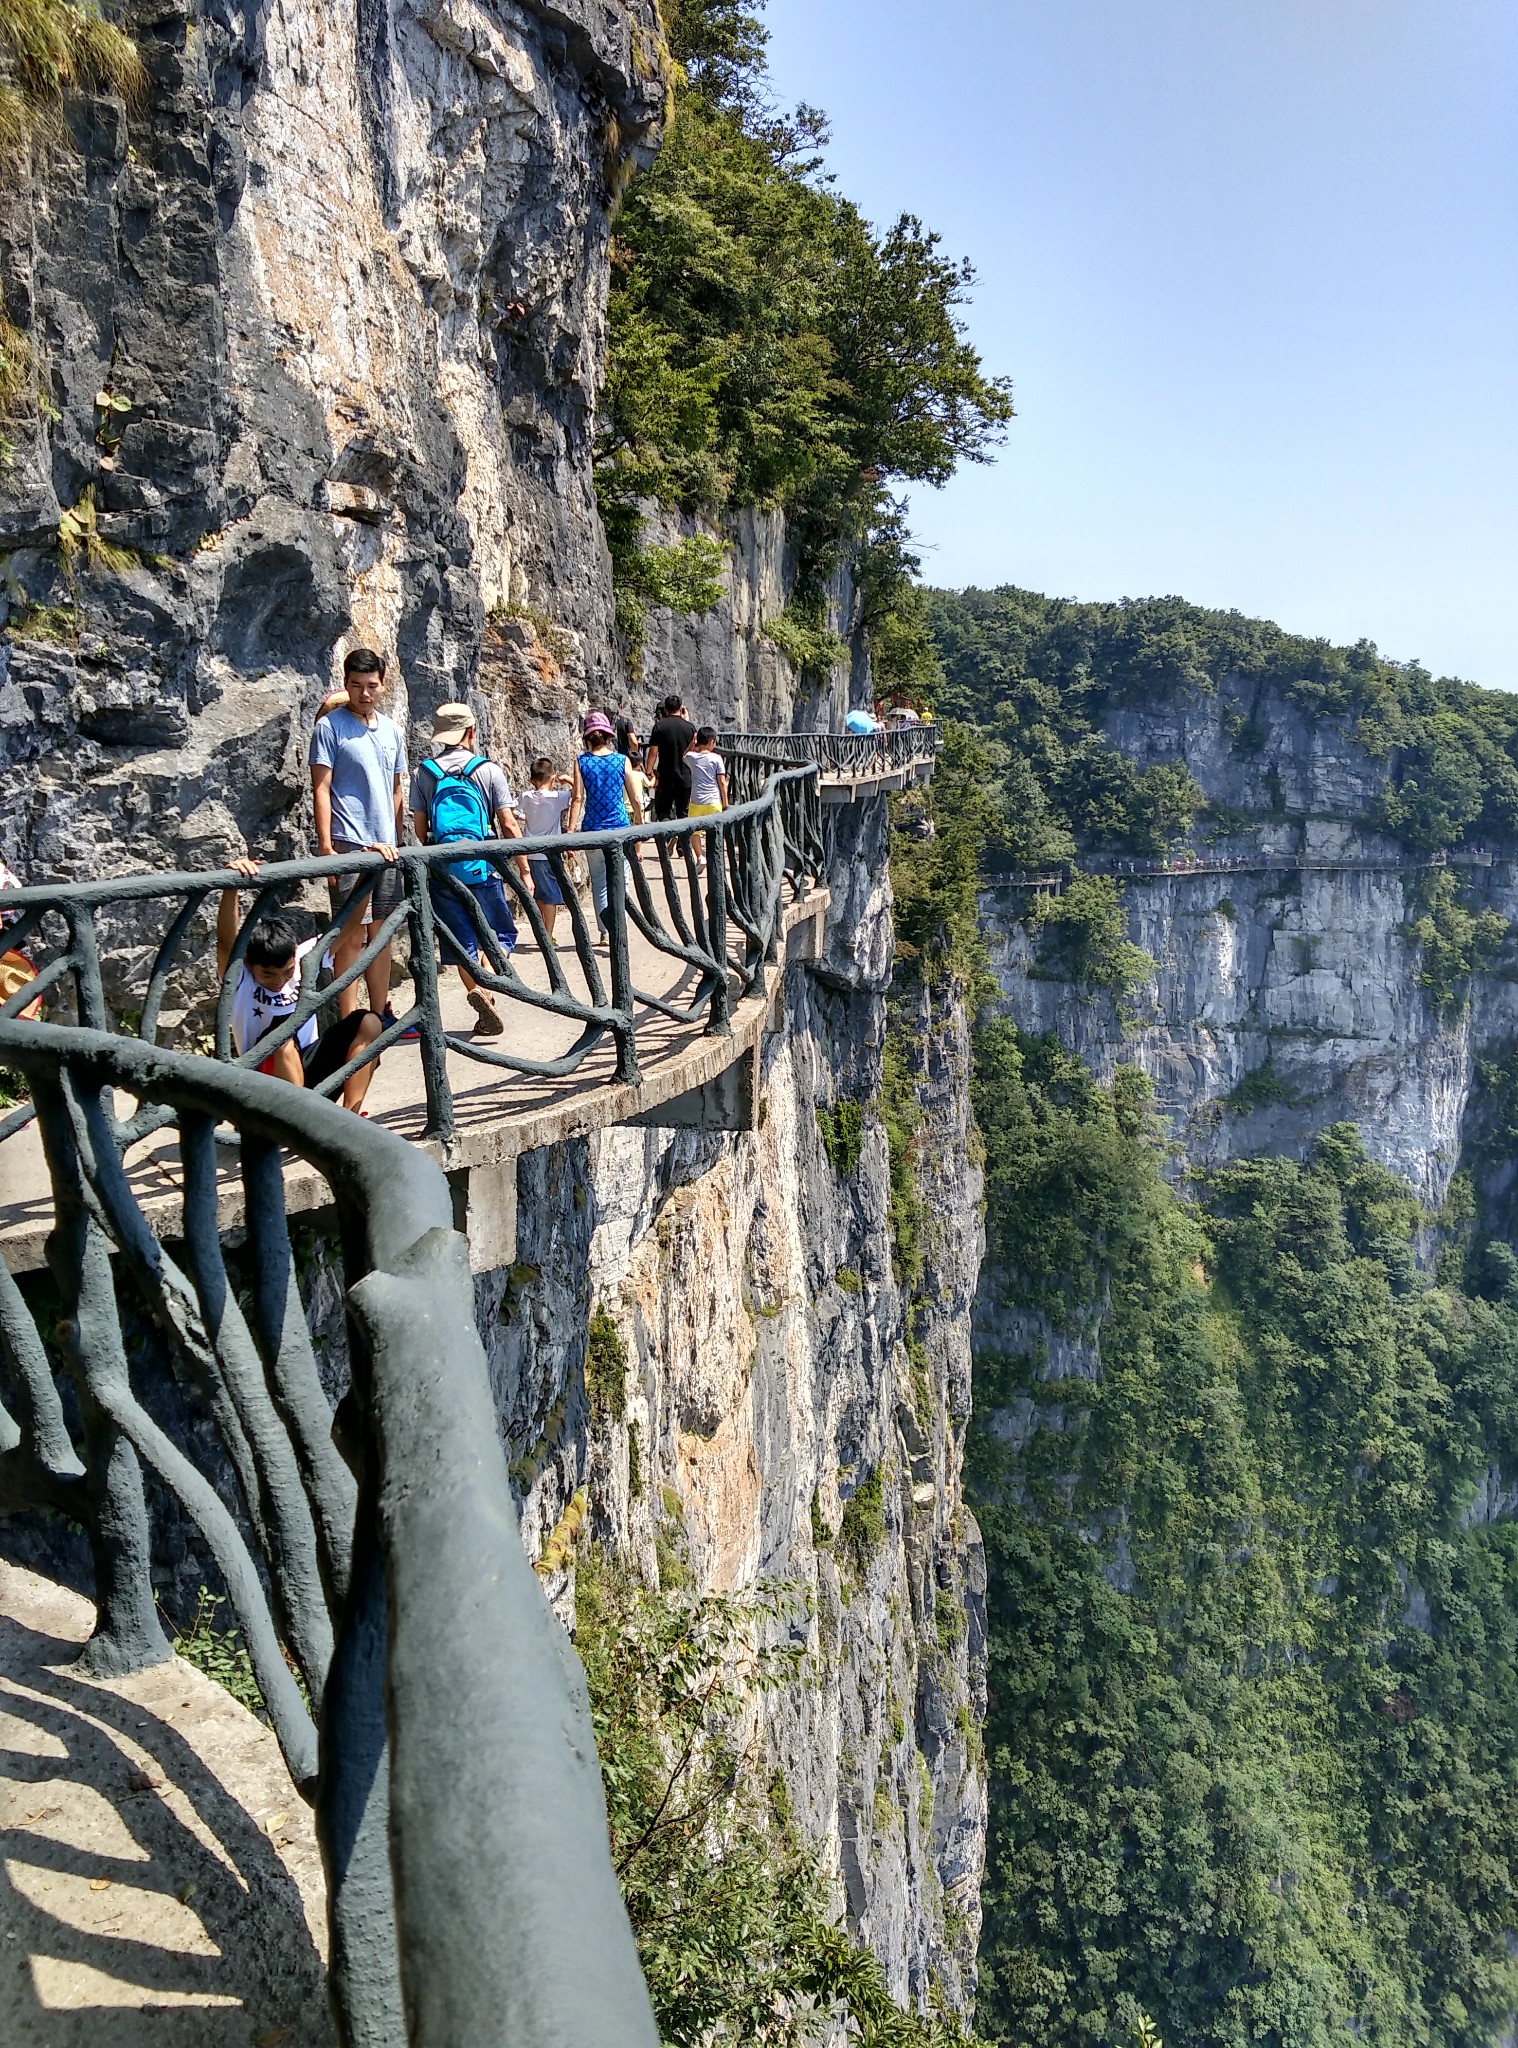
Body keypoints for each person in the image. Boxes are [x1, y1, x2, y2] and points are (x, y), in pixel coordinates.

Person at [216, 859, 382, 1112]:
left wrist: (370, 871)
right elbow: (226, 942)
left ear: (295, 955)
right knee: (282, 1040)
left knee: (369, 1022)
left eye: (287, 972)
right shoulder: (240, 978)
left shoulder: (306, 958)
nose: (279, 981)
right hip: (266, 1083)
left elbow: (349, 923)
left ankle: (350, 1117)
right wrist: (231, 887)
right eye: (268, 975)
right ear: (250, 964)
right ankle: (304, 1122)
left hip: (311, 1070)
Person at [408, 703, 531, 1038]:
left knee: (461, 944)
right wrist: (525, 870)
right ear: (471, 732)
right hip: (484, 866)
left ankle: (480, 993)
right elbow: (507, 823)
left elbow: (419, 831)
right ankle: (487, 982)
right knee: (503, 934)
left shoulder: (425, 772)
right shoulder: (488, 770)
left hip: (443, 869)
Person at [309, 649, 405, 1021]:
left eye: (371, 686)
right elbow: (321, 787)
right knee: (350, 935)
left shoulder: (392, 730)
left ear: (383, 685)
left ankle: (380, 1014)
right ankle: (349, 1020)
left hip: (387, 848)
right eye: (355, 686)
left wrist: (396, 839)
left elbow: (396, 789)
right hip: (350, 841)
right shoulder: (330, 727)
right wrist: (326, 846)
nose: (364, 694)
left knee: (382, 935)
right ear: (345, 683)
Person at [568, 712, 644, 944]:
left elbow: (578, 798)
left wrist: (570, 833)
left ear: (587, 737)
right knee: (621, 880)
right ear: (609, 737)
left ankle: (605, 931)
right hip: (619, 828)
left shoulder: (581, 762)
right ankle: (619, 928)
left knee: (600, 882)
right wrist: (639, 828)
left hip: (592, 829)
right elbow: (636, 798)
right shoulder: (622, 761)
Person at [515, 757, 573, 943]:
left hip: (530, 852)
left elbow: (511, 810)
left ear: (532, 779)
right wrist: (569, 780)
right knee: (551, 896)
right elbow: (578, 793)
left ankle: (543, 931)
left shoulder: (526, 797)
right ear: (552, 777)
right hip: (549, 854)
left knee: (540, 894)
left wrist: (525, 816)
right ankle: (547, 934)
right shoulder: (558, 798)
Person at [645, 693, 696, 821]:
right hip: (685, 776)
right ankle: (683, 840)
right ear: (681, 708)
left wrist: (649, 772)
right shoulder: (690, 727)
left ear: (666, 709)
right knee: (683, 813)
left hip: (666, 777)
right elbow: (695, 749)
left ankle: (666, 837)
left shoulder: (659, 726)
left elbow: (653, 752)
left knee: (663, 812)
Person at [685, 728, 728, 818]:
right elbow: (722, 782)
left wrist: (693, 742)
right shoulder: (717, 758)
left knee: (695, 831)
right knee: (714, 831)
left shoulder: (692, 757)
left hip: (696, 802)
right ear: (711, 742)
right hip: (713, 802)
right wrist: (725, 803)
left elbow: (685, 754)